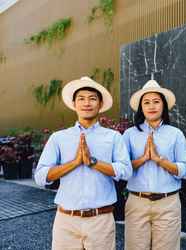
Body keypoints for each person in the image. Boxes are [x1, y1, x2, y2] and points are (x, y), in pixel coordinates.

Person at [34, 76, 132, 250]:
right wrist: (75, 162)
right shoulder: (59, 138)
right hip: (66, 221)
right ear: (74, 103)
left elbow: (126, 171)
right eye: (81, 98)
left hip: (101, 220)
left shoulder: (113, 137)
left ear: (100, 104)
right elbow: (41, 176)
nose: (87, 103)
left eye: (92, 98)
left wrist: (93, 162)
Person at [122, 79, 186, 250]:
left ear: (163, 105)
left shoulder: (175, 134)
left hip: (168, 203)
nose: (151, 106)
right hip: (137, 202)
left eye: (156, 101)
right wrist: (144, 158)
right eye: (146, 102)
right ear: (141, 107)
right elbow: (122, 170)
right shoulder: (130, 134)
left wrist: (161, 161)